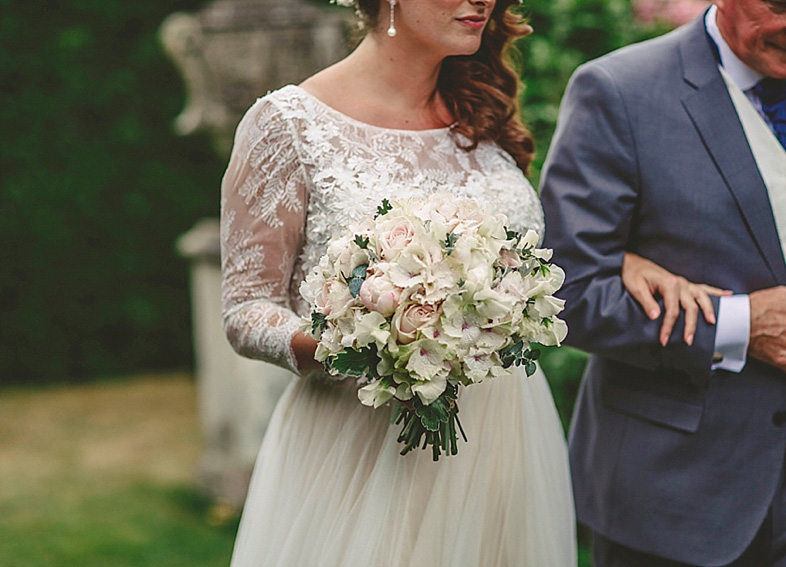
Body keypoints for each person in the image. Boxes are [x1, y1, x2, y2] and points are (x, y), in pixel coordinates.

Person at [219, 0, 589, 564]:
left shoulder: (479, 110)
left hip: (503, 437)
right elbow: (247, 309)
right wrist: (363, 343)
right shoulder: (289, 125)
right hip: (361, 446)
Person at [540, 0, 786, 563]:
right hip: (672, 495)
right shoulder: (619, 91)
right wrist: (738, 326)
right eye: (783, 5)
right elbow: (566, 293)